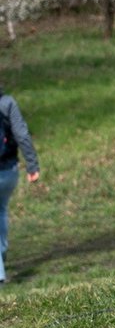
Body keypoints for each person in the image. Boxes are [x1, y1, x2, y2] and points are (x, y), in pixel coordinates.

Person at [0, 82, 42, 284]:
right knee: (1, 211)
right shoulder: (7, 103)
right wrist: (32, 166)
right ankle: (1, 253)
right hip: (8, 172)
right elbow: (22, 134)